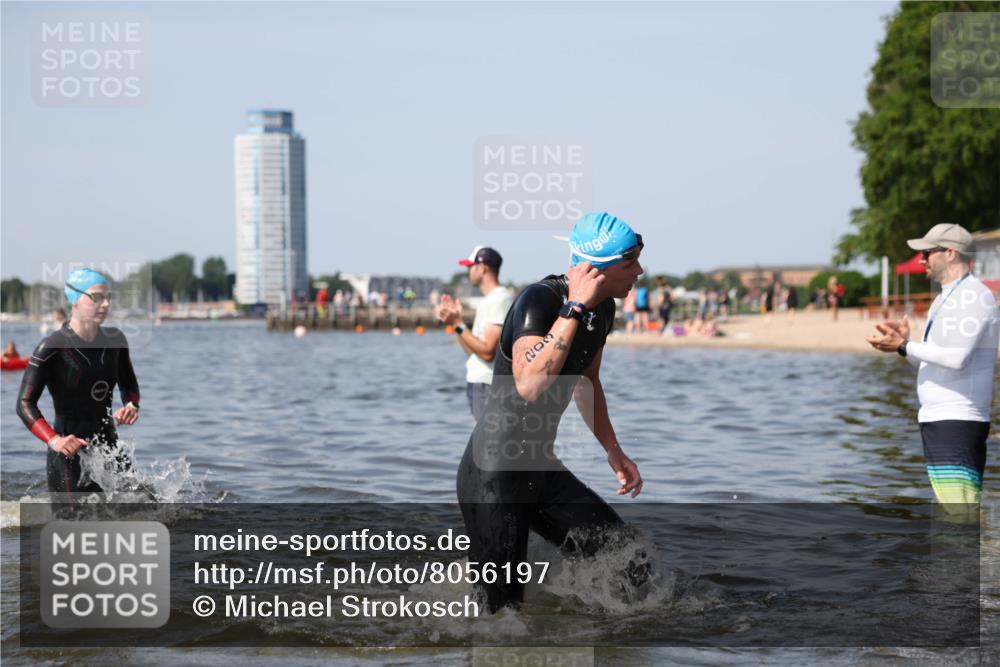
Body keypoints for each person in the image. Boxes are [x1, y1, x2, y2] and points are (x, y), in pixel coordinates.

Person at [456, 212, 645, 613]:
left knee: (630, 560)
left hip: (539, 470)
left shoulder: (604, 310)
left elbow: (587, 382)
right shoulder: (539, 301)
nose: (640, 272)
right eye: (630, 264)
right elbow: (529, 384)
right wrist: (574, 307)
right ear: (595, 269)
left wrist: (614, 451)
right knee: (501, 616)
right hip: (493, 474)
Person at [866, 224, 998, 505]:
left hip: (959, 419)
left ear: (950, 253)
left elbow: (956, 358)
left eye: (927, 252)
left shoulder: (974, 296)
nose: (922, 259)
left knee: (959, 512)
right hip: (937, 417)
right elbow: (934, 361)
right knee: (953, 514)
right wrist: (906, 347)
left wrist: (904, 346)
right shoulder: (943, 298)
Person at [15, 268, 141, 494]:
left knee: (148, 508)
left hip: (108, 448)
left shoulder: (116, 341)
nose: (105, 305)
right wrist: (55, 441)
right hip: (67, 454)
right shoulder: (52, 347)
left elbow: (128, 384)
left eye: (107, 297)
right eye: (96, 297)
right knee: (74, 525)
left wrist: (130, 405)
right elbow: (24, 404)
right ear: (74, 299)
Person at [436, 246, 513, 422]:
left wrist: (458, 324)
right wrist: (456, 324)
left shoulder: (498, 300)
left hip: (487, 385)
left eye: (470, 266)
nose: (468, 271)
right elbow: (473, 351)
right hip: (480, 384)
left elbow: (487, 352)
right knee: (486, 445)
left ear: (482, 268)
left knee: (489, 446)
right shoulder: (490, 300)